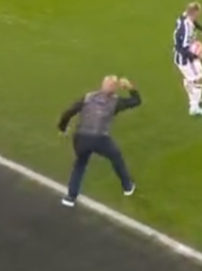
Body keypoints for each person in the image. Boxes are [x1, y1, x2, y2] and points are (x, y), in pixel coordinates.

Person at [57, 76, 141, 207]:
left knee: (80, 164)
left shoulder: (88, 97)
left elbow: (69, 112)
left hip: (81, 137)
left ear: (102, 85)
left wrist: (62, 127)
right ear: (114, 89)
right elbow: (136, 101)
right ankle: (127, 186)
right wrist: (130, 88)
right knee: (116, 157)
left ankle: (70, 197)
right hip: (100, 138)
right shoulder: (116, 102)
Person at [173, 2, 202, 116]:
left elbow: (194, 22)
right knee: (198, 80)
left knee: (199, 77)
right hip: (185, 58)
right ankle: (194, 108)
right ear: (194, 13)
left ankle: (195, 99)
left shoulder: (184, 17)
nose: (199, 14)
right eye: (198, 12)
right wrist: (196, 56)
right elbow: (182, 49)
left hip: (187, 55)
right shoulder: (186, 29)